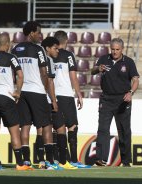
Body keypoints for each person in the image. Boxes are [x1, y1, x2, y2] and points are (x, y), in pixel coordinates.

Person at [11, 21, 60, 170]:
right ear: (31, 33)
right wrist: (47, 93)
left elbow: (15, 72)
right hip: (37, 91)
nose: (40, 36)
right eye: (38, 32)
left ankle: (26, 161)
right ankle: (49, 162)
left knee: (25, 126)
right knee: (46, 125)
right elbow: (44, 73)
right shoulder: (39, 49)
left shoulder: (16, 49)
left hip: (22, 92)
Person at [0, 33, 33, 171]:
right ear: (7, 44)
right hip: (6, 97)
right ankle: (20, 164)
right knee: (14, 132)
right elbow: (20, 74)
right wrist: (18, 91)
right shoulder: (11, 57)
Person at [91, 38, 139, 167]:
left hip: (123, 99)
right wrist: (98, 69)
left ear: (122, 49)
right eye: (113, 49)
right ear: (110, 48)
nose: (115, 52)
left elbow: (135, 80)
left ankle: (126, 161)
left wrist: (131, 92)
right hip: (106, 99)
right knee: (103, 129)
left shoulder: (128, 62)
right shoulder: (103, 59)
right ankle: (101, 159)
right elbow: (92, 71)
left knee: (124, 130)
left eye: (117, 49)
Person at [53, 30, 90, 168]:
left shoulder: (49, 55)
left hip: (52, 96)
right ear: (66, 41)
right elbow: (73, 76)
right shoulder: (68, 55)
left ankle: (57, 159)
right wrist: (79, 94)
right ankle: (73, 160)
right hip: (66, 95)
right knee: (72, 126)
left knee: (56, 128)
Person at [41, 36, 75, 170]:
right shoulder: (48, 60)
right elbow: (49, 82)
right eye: (55, 48)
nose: (58, 51)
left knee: (57, 128)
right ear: (48, 49)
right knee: (51, 129)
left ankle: (56, 161)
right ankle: (52, 161)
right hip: (47, 100)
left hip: (44, 99)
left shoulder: (45, 60)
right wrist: (54, 100)